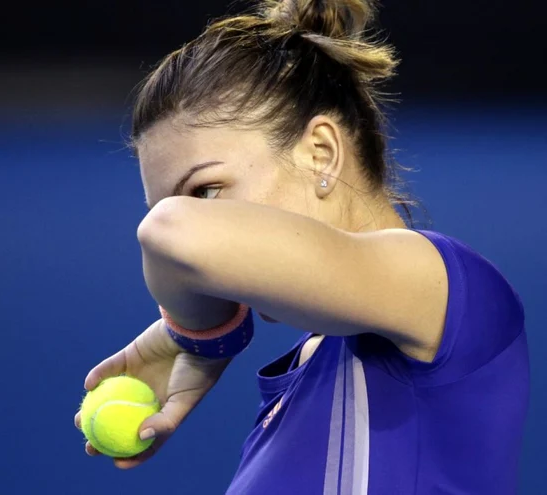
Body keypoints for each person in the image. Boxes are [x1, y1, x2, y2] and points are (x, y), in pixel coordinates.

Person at [75, 0, 529, 492]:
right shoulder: (303, 378)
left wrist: (202, 336)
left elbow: (169, 233)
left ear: (321, 154)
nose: (187, 214)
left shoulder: (440, 285)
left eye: (205, 190)